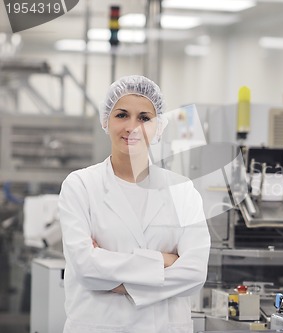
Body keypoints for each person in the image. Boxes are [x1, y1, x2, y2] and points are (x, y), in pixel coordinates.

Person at [58, 75, 211, 333]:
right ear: (106, 120)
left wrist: (115, 278)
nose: (132, 127)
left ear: (158, 127)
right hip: (99, 326)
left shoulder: (182, 190)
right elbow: (86, 269)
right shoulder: (80, 185)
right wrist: (164, 261)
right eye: (121, 115)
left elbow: (195, 274)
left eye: (144, 118)